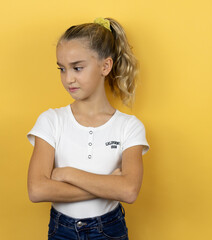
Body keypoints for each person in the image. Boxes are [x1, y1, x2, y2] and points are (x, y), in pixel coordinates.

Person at [26, 17, 150, 240]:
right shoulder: (51, 120)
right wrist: (109, 185)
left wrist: (66, 174)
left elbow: (129, 191)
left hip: (109, 229)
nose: (68, 78)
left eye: (77, 68)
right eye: (62, 69)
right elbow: (37, 190)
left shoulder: (129, 127)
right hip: (60, 230)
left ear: (105, 66)